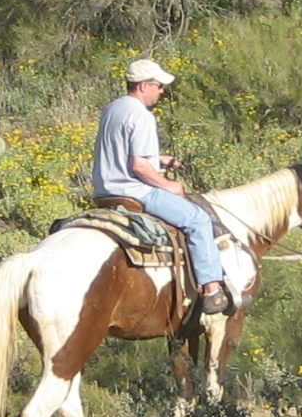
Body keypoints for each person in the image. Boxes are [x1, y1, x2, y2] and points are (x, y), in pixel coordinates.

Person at [94, 56, 229, 318]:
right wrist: (169, 184)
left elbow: (124, 152)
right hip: (134, 191)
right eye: (158, 85)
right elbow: (138, 166)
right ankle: (212, 289)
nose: (162, 91)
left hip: (104, 191)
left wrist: (159, 160)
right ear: (143, 86)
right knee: (198, 220)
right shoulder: (141, 116)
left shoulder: (112, 109)